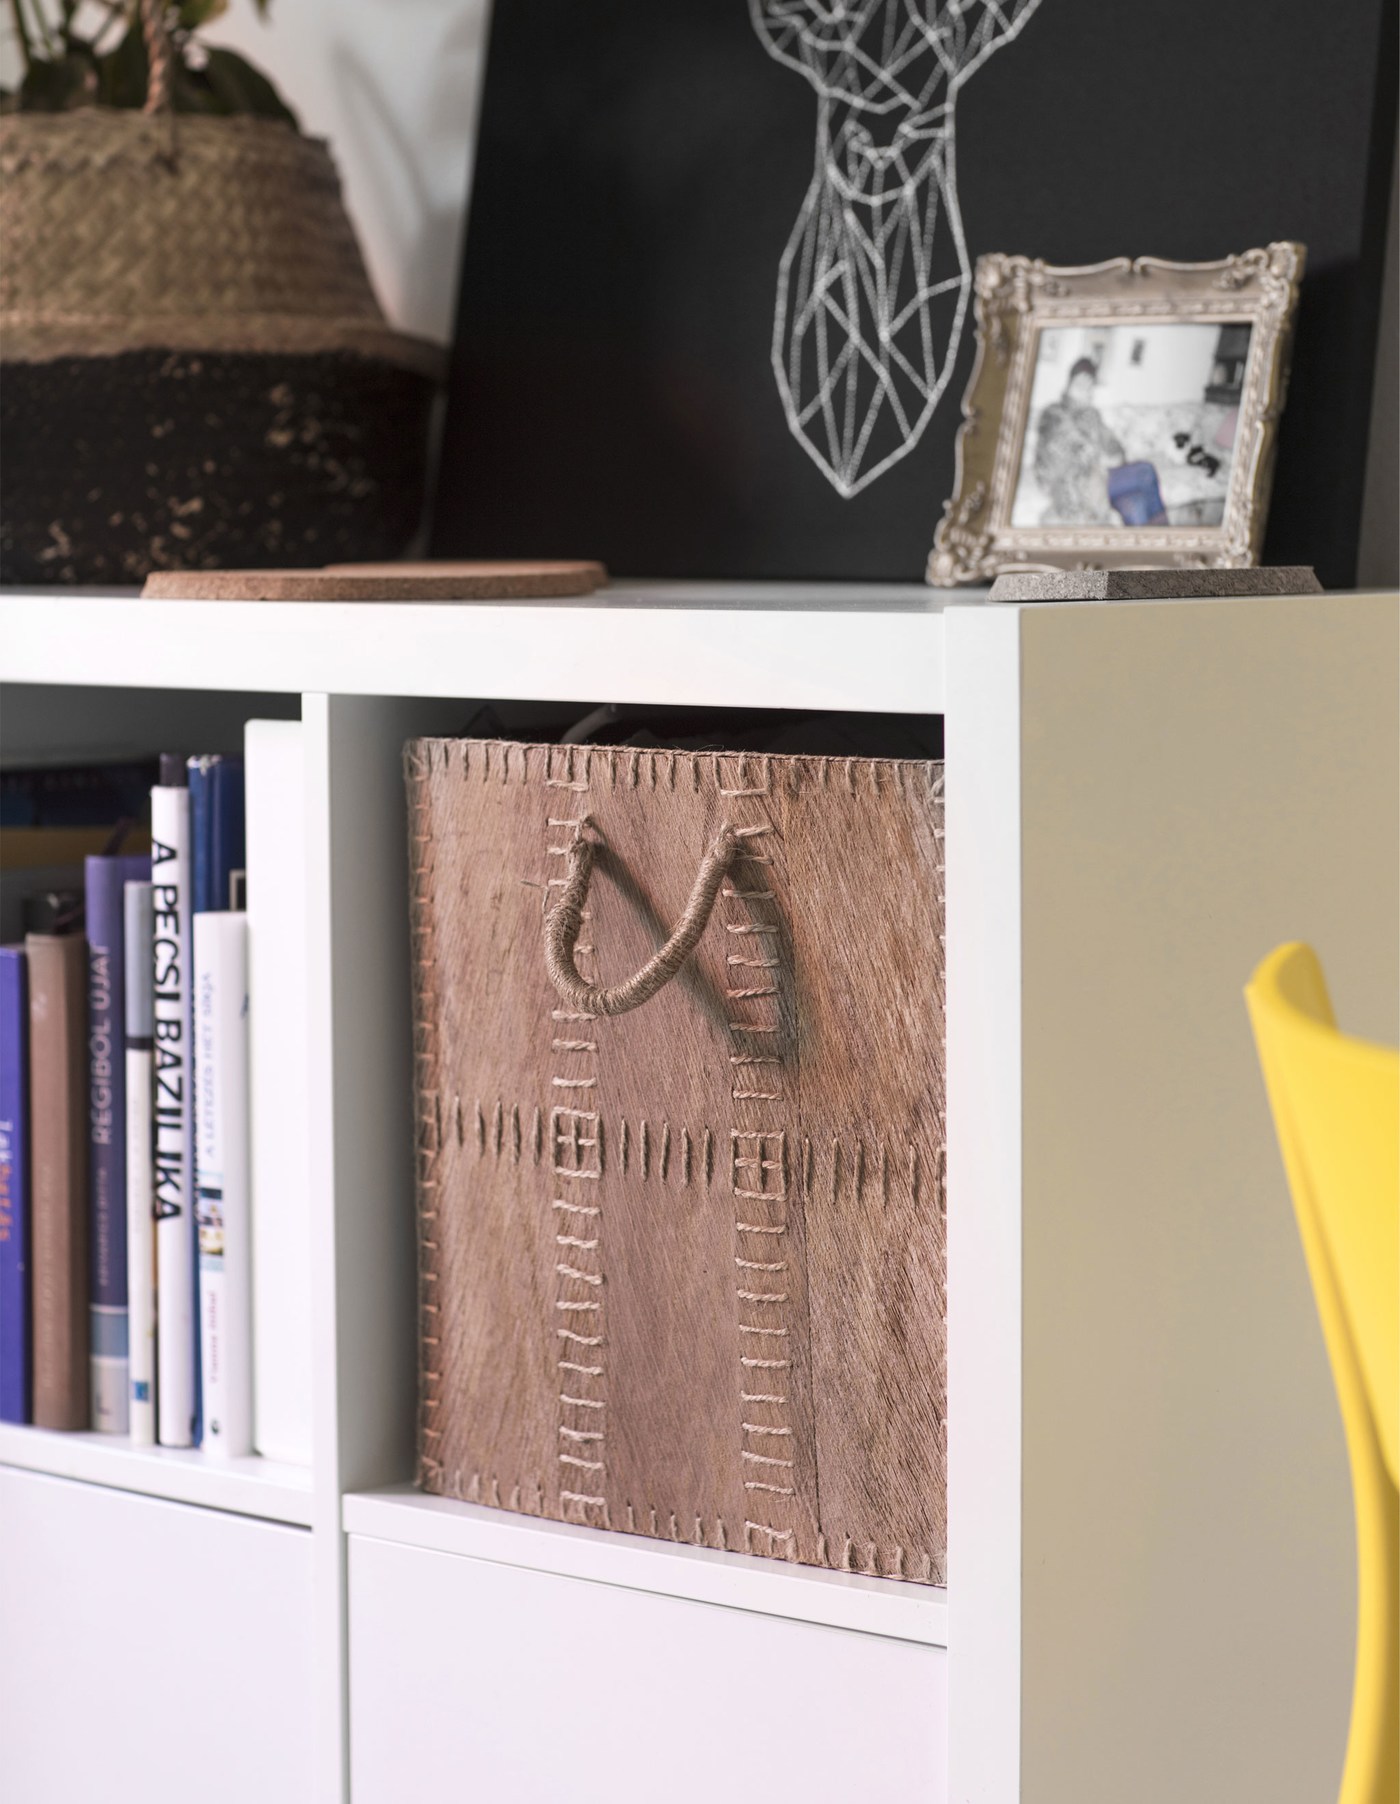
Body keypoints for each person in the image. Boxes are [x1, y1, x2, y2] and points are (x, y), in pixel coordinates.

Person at [1031, 358, 1125, 525]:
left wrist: (1117, 456)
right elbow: (1072, 448)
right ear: (1069, 384)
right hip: (1071, 481)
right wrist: (1101, 458)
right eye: (1080, 382)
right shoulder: (1053, 413)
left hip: (1101, 476)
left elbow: (1113, 444)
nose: (1086, 388)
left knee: (1136, 504)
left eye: (1090, 384)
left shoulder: (1093, 414)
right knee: (1145, 473)